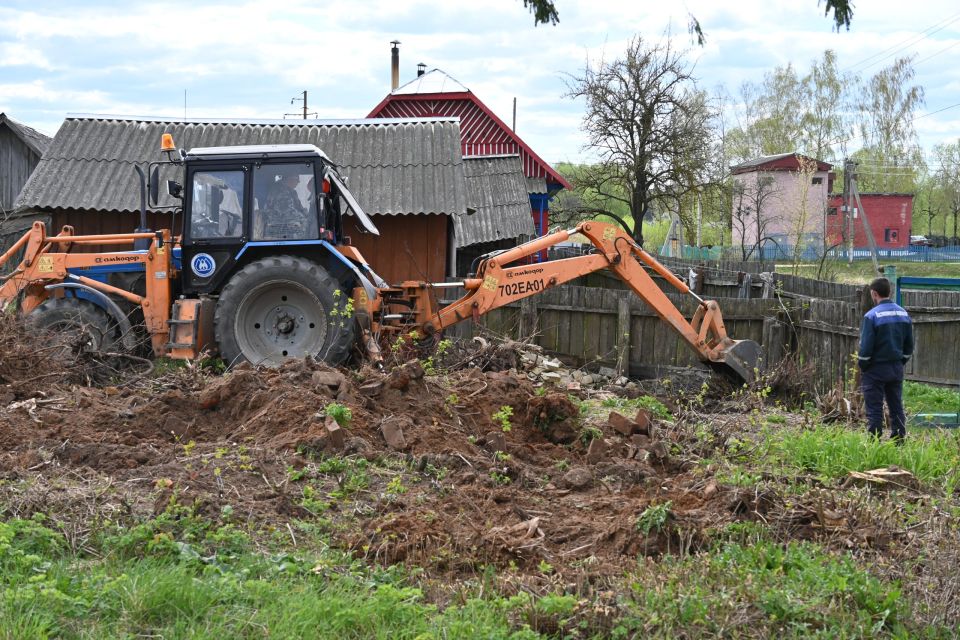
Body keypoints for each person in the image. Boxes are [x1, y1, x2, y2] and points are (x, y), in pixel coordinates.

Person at [858, 277, 914, 442]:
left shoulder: (872, 316)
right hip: (896, 367)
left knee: (874, 407)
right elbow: (909, 346)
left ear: (874, 294)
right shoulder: (903, 314)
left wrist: (864, 365)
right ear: (889, 292)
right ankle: (899, 440)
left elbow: (866, 347)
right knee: (896, 405)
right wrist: (900, 361)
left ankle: (874, 442)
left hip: (875, 369)